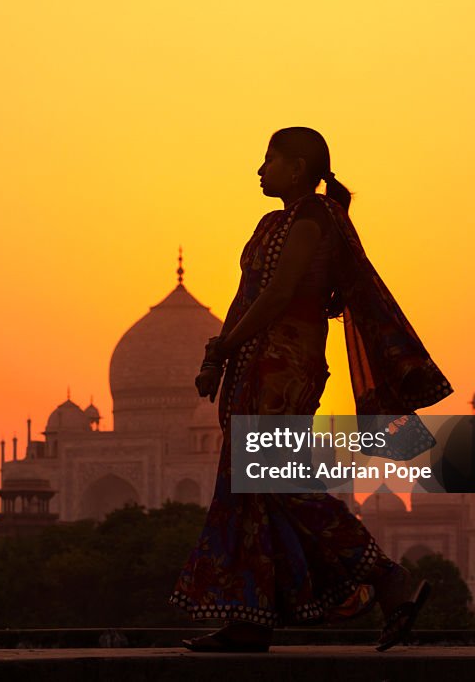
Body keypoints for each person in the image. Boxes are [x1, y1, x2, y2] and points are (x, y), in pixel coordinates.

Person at [169, 127, 453, 653]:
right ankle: (248, 620)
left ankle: (389, 579)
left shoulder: (313, 220)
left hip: (285, 369)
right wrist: (218, 354)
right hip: (252, 365)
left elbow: (278, 296)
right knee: (245, 491)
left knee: (280, 483)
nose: (260, 170)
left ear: (297, 167)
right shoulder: (270, 224)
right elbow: (247, 294)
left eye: (269, 160)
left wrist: (227, 345)